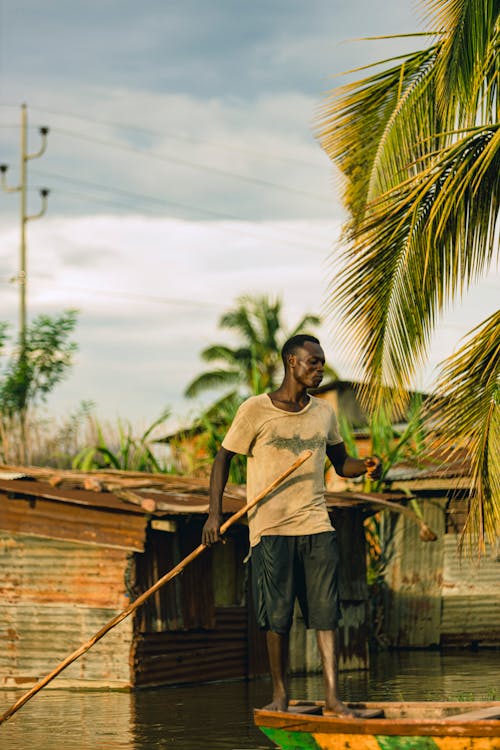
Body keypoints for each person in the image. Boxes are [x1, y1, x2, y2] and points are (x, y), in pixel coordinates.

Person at [202, 334, 381, 716]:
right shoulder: (255, 410)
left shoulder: (324, 413)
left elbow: (341, 463)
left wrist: (365, 467)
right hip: (270, 529)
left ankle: (333, 697)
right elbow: (222, 459)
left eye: (321, 363)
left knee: (325, 613)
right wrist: (214, 514)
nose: (319, 369)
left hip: (316, 525)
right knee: (276, 616)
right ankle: (281, 695)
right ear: (291, 362)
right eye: (312, 362)